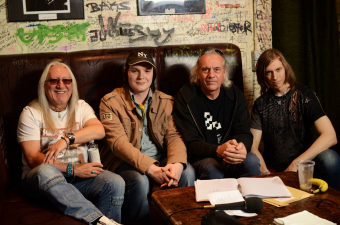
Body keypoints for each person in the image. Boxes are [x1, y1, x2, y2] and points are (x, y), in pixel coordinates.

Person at [17, 61, 124, 225]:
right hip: (41, 183)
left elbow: (99, 130)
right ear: (44, 86)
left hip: (79, 178)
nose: (61, 85)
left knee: (115, 182)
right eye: (54, 80)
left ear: (72, 85)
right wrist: (72, 169)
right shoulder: (31, 112)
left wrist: (66, 140)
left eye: (66, 81)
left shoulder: (81, 107)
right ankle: (98, 220)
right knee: (46, 170)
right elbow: (32, 159)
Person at [100, 50, 195, 225]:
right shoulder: (110, 101)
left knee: (187, 171)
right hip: (124, 163)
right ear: (126, 72)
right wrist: (150, 169)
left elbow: (174, 136)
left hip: (161, 159)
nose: (141, 76)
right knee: (139, 180)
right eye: (135, 70)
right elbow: (118, 143)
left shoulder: (167, 101)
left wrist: (177, 164)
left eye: (147, 71)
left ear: (154, 74)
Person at [251, 48, 340, 189]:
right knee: (250, 161)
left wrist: (296, 164)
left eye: (278, 69)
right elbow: (253, 146)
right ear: (263, 75)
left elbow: (330, 136)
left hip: (306, 166)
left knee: (330, 158)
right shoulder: (260, 104)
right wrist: (266, 172)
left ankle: (334, 207)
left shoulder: (305, 95)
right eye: (269, 72)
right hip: (274, 168)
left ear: (285, 68)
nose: (275, 77)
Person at [173, 47, 260, 180]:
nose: (211, 75)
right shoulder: (185, 97)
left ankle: (249, 200)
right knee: (212, 167)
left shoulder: (236, 96)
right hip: (202, 158)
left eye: (217, 69)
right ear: (198, 73)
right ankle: (214, 201)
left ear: (224, 74)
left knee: (252, 161)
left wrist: (242, 147)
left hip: (229, 156)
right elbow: (190, 143)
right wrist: (217, 150)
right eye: (205, 69)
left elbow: (244, 133)